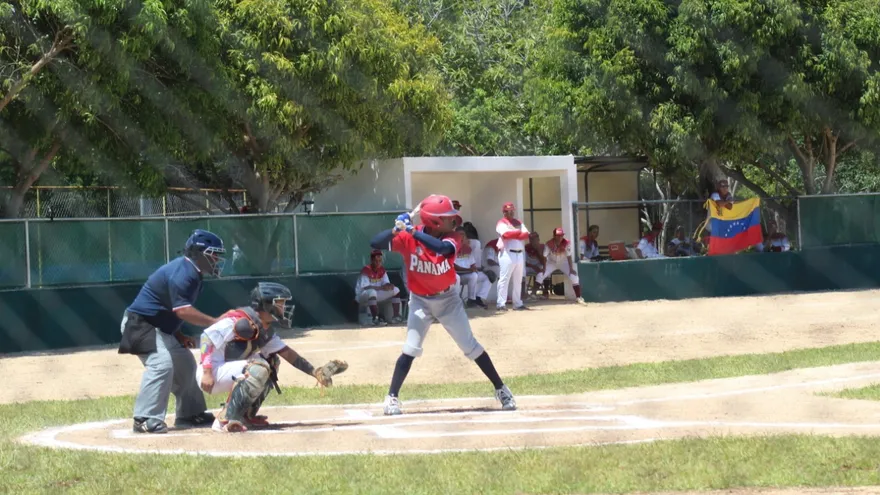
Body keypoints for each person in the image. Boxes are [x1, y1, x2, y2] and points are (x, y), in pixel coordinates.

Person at [370, 194, 516, 416]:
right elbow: (375, 242)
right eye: (448, 217)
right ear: (434, 221)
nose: (453, 220)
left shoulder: (453, 237)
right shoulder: (409, 237)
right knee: (410, 348)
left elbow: (443, 250)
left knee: (471, 346)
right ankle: (391, 397)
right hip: (420, 301)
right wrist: (395, 229)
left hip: (448, 300)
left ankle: (501, 389)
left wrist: (411, 231)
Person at [197, 282, 347, 433]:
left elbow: (289, 354)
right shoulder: (239, 320)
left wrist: (316, 373)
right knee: (258, 367)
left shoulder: (264, 329)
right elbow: (205, 338)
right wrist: (207, 372)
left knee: (272, 362)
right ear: (267, 305)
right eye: (280, 303)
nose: (283, 308)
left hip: (227, 371)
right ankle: (224, 420)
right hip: (211, 373)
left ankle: (245, 414)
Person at [118, 229, 226, 434]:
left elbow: (170, 310)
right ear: (199, 253)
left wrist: (179, 335)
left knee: (185, 364)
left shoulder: (193, 273)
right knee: (161, 364)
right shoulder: (184, 272)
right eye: (214, 254)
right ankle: (144, 418)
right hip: (139, 324)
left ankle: (190, 413)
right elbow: (183, 310)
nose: (217, 259)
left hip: (159, 328)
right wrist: (215, 322)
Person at [495, 202, 530, 311]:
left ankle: (517, 303)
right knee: (504, 279)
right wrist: (518, 233)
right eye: (507, 211)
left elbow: (526, 234)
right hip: (507, 253)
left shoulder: (518, 222)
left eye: (511, 211)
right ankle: (501, 304)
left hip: (519, 254)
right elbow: (506, 235)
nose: (509, 213)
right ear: (504, 212)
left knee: (518, 280)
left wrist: (515, 233)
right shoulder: (501, 222)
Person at [355, 250, 404, 326]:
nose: (378, 263)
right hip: (362, 295)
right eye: (376, 261)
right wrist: (382, 288)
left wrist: (389, 285)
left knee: (396, 290)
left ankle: (396, 316)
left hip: (375, 294)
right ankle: (375, 318)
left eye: (380, 260)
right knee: (372, 292)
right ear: (372, 260)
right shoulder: (366, 270)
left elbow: (385, 282)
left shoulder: (382, 270)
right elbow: (366, 287)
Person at [536, 227, 582, 302]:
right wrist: (544, 268)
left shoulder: (566, 243)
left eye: (561, 235)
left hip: (563, 262)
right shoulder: (549, 244)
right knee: (540, 275)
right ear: (554, 236)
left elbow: (569, 256)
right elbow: (544, 257)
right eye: (558, 235)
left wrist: (571, 268)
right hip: (551, 262)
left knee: (574, 276)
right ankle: (533, 295)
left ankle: (578, 297)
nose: (560, 237)